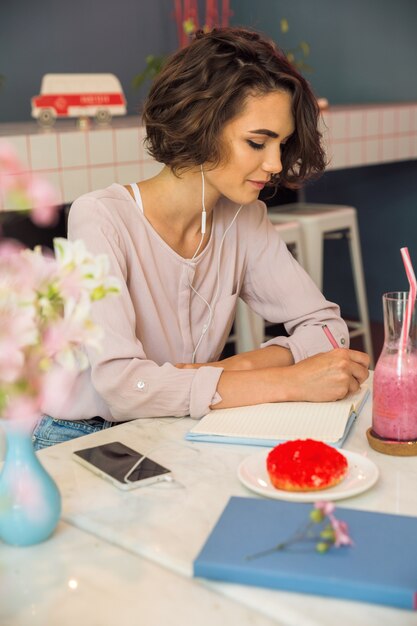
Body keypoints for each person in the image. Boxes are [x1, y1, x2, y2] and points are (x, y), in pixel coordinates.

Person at [33, 27, 369, 450]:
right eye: (257, 142)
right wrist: (288, 381)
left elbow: (327, 329)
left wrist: (238, 367)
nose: (275, 163)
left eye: (281, 144)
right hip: (85, 435)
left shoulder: (245, 218)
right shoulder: (100, 218)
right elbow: (123, 386)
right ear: (200, 125)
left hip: (182, 420)